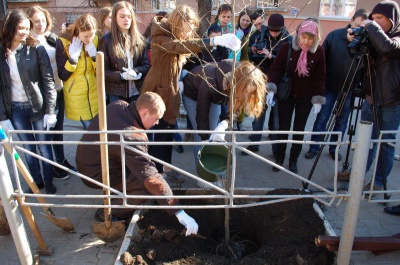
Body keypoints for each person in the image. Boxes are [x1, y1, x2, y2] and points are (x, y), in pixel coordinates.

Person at [140, 5, 240, 182]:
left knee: (168, 133)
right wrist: (214, 41)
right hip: (158, 90)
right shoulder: (161, 36)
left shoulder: (172, 35)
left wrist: (181, 75)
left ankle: (165, 169)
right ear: (178, 23)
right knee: (159, 135)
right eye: (186, 29)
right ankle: (157, 175)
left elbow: (183, 50)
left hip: (170, 88)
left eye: (191, 30)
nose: (187, 34)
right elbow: (179, 46)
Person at [76, 92, 198, 235]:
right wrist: (178, 210)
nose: (157, 123)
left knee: (146, 178)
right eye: (156, 118)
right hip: (96, 172)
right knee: (148, 187)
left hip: (88, 160)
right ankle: (109, 211)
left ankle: (121, 197)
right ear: (145, 113)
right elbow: (150, 177)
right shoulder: (132, 136)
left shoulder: (119, 105)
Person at [350, 1, 400, 216]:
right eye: (374, 17)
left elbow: (388, 48)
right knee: (365, 141)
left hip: (390, 100)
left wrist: (370, 26)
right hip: (370, 97)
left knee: (385, 143)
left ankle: (378, 182)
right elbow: (356, 55)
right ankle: (358, 177)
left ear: (393, 20)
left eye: (380, 18)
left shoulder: (397, 38)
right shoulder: (374, 36)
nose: (375, 22)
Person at [0, 9, 58, 194]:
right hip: (16, 109)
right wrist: (2, 117)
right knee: (28, 149)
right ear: (10, 27)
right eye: (20, 28)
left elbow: (48, 81)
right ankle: (36, 181)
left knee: (44, 146)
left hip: (38, 107)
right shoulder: (2, 52)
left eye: (27, 28)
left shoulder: (36, 49)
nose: (24, 32)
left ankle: (48, 180)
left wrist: (50, 110)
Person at [304, 9, 369, 164]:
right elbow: (322, 60)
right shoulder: (335, 35)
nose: (358, 30)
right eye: (357, 25)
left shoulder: (366, 42)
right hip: (330, 86)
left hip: (350, 89)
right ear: (351, 20)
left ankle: (334, 148)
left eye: (363, 28)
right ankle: (314, 148)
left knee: (342, 121)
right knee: (322, 118)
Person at [267, 18, 326, 173]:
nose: (306, 42)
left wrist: (318, 98)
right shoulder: (287, 47)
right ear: (298, 35)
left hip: (305, 98)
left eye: (310, 38)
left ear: (315, 38)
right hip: (286, 96)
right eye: (303, 37)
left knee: (299, 130)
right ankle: (280, 158)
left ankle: (293, 160)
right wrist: (271, 88)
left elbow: (320, 75)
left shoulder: (318, 51)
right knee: (283, 129)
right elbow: (275, 68)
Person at [27, 6, 78, 180]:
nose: (40, 24)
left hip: (58, 89)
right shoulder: (27, 42)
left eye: (42, 20)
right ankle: (50, 168)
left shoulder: (52, 38)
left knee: (58, 130)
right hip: (40, 95)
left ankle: (61, 161)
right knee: (45, 133)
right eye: (36, 21)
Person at [184, 60, 267, 167]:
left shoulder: (242, 78)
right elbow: (201, 115)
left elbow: (236, 108)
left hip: (215, 97)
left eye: (250, 93)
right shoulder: (211, 82)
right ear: (239, 85)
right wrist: (205, 141)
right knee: (201, 135)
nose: (247, 95)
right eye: (246, 91)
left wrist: (223, 124)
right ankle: (203, 175)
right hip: (192, 93)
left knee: (214, 132)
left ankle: (215, 172)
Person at [243, 12, 292, 156]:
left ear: (282, 28)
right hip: (261, 79)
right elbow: (252, 59)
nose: (273, 33)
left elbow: (288, 63)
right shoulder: (259, 35)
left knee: (277, 120)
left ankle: (276, 151)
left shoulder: (287, 40)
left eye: (276, 30)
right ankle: (254, 144)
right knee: (258, 114)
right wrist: (254, 51)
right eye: (271, 29)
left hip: (279, 83)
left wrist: (270, 55)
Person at [98, 1, 150, 104]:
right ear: (115, 17)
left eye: (129, 16)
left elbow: (146, 66)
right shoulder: (106, 40)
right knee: (120, 119)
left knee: (135, 120)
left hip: (137, 90)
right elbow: (103, 71)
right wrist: (122, 75)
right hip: (116, 92)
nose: (126, 19)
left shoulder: (139, 39)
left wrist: (135, 71)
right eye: (122, 16)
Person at [56, 14, 99, 130]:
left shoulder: (95, 40)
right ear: (78, 31)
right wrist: (73, 59)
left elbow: (99, 72)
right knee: (91, 131)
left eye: (92, 35)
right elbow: (62, 75)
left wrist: (95, 57)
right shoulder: (63, 42)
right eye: (85, 36)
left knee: (95, 131)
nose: (89, 39)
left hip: (94, 93)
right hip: (76, 94)